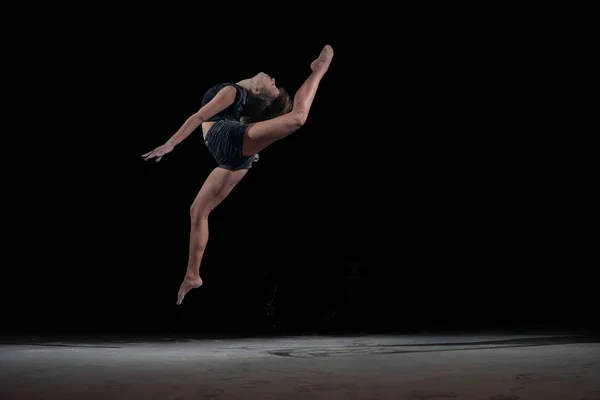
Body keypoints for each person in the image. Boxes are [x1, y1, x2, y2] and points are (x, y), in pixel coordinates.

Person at [142, 45, 334, 305]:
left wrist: (172, 143)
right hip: (232, 151)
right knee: (198, 211)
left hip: (227, 140)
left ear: (255, 90)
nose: (273, 79)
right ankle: (192, 275)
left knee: (298, 118)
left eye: (271, 84)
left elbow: (199, 116)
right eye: (273, 82)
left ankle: (319, 70)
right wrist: (251, 146)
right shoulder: (239, 98)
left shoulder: (234, 90)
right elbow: (235, 120)